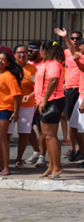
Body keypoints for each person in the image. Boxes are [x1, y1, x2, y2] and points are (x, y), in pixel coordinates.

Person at [0, 51, 22, 176]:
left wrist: (16, 112)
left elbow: (17, 95)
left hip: (5, 109)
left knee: (2, 138)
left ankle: (6, 167)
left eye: (3, 60)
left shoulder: (9, 76)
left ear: (8, 63)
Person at [36, 40, 66, 179]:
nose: (39, 51)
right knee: (46, 135)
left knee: (51, 135)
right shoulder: (45, 64)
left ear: (45, 50)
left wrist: (44, 100)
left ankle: (57, 167)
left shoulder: (54, 63)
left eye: (41, 49)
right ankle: (51, 166)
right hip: (43, 102)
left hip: (52, 101)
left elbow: (53, 81)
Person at [54, 28, 83, 160]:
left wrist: (65, 38)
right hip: (73, 90)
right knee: (72, 121)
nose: (75, 41)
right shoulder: (70, 53)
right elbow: (61, 66)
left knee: (80, 125)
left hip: (81, 92)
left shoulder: (81, 55)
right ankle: (76, 149)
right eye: (73, 38)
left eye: (78, 39)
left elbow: (74, 52)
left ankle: (80, 150)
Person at [9, 45, 38, 169]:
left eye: (24, 52)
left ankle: (19, 159)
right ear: (14, 54)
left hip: (27, 106)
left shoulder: (32, 69)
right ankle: (2, 159)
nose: (22, 55)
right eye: (19, 53)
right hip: (10, 105)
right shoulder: (10, 68)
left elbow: (37, 86)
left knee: (24, 132)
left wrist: (31, 97)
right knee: (6, 133)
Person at [27, 40, 46, 166]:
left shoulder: (44, 65)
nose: (29, 53)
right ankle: (36, 151)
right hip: (27, 102)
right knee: (28, 128)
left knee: (40, 129)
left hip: (39, 101)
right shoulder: (29, 64)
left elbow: (43, 86)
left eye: (31, 51)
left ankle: (42, 156)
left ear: (39, 51)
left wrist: (35, 99)